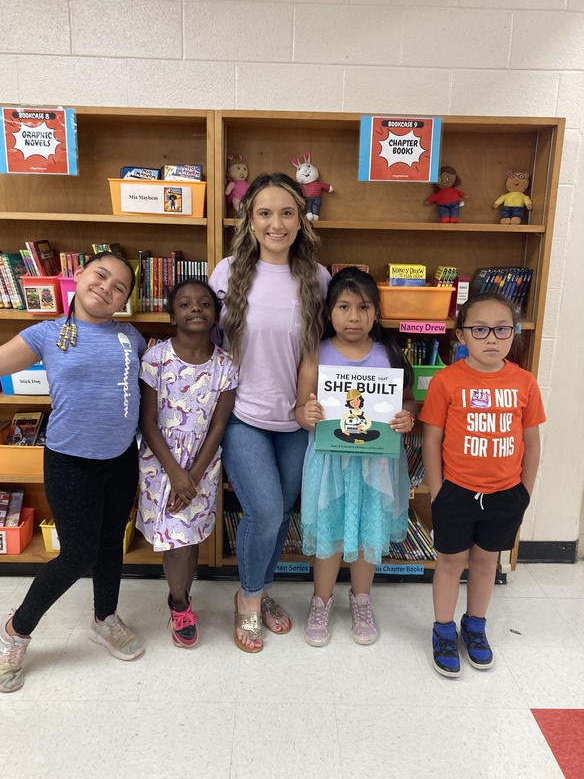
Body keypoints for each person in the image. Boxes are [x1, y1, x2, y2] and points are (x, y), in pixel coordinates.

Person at [0, 253, 147, 693]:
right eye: (100, 275)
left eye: (119, 287)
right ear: (77, 276)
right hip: (69, 461)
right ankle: (14, 631)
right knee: (78, 555)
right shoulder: (47, 333)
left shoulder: (131, 337)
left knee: (111, 541)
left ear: (123, 302)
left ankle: (105, 618)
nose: (107, 288)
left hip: (120, 459)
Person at [209, 172, 330, 653]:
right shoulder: (227, 271)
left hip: (298, 420)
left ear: (301, 220)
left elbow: (318, 350)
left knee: (280, 515)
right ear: (250, 219)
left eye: (286, 212)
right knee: (262, 509)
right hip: (243, 416)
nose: (275, 223)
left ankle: (257, 589)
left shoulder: (317, 277)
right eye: (265, 212)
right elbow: (209, 343)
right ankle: (249, 601)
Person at [420, 292, 545, 677]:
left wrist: (524, 491)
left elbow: (532, 441)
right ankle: (443, 630)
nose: (491, 338)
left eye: (502, 329)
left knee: (486, 561)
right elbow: (432, 440)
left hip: (507, 493)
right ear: (461, 336)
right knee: (450, 562)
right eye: (480, 329)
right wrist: (438, 492)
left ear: (514, 334)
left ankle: (474, 626)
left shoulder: (524, 383)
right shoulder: (446, 381)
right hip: (456, 491)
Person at [296, 267, 417, 646]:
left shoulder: (390, 353)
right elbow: (300, 408)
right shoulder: (317, 352)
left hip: (376, 463)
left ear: (376, 312)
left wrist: (406, 416)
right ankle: (321, 601)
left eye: (363, 307)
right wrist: (308, 415)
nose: (353, 317)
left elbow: (409, 400)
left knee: (368, 533)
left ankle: (361, 601)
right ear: (328, 311)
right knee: (330, 533)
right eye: (344, 307)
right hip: (330, 463)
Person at [137, 279, 237, 647]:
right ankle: (179, 603)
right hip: (160, 464)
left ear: (216, 314)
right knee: (176, 540)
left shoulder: (226, 365)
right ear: (171, 314)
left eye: (204, 303)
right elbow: (147, 422)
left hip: (202, 466)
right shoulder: (155, 359)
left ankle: (182, 597)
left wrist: (192, 476)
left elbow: (220, 424)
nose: (196, 309)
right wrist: (176, 475)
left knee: (189, 536)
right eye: (185, 304)